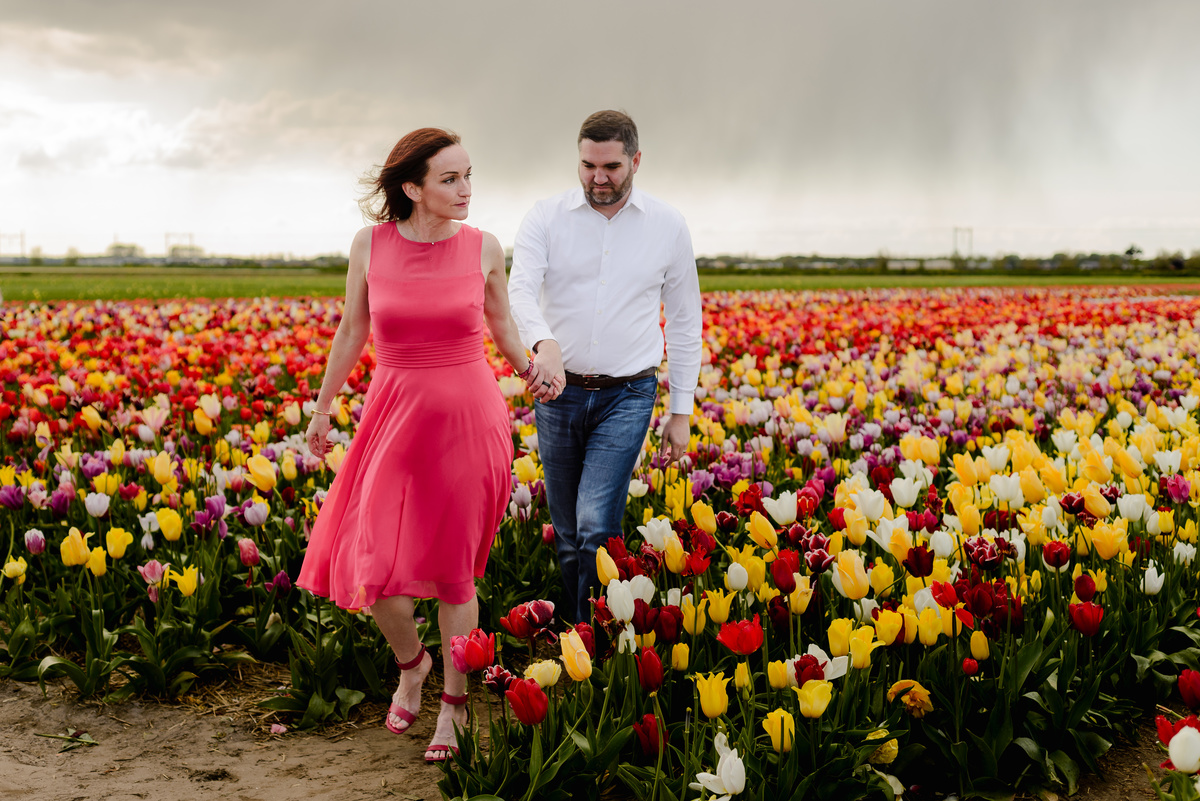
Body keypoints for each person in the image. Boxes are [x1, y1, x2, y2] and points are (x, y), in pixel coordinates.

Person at [296, 128, 562, 762]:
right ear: (412, 187)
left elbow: (501, 324)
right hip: (393, 415)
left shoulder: (485, 249)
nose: (466, 189)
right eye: (450, 179)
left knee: (452, 572)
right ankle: (411, 664)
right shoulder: (370, 245)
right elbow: (353, 329)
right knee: (374, 564)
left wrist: (532, 370)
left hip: (471, 420)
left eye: (469, 175)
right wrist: (323, 406)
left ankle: (453, 704)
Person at [508, 110, 703, 625]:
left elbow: (685, 320)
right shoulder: (545, 217)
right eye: (588, 165)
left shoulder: (667, 225)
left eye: (612, 166)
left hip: (628, 392)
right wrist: (543, 341)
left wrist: (680, 410)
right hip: (557, 389)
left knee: (596, 523)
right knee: (568, 530)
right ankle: (581, 632)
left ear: (635, 160)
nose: (598, 177)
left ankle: (594, 637)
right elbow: (520, 290)